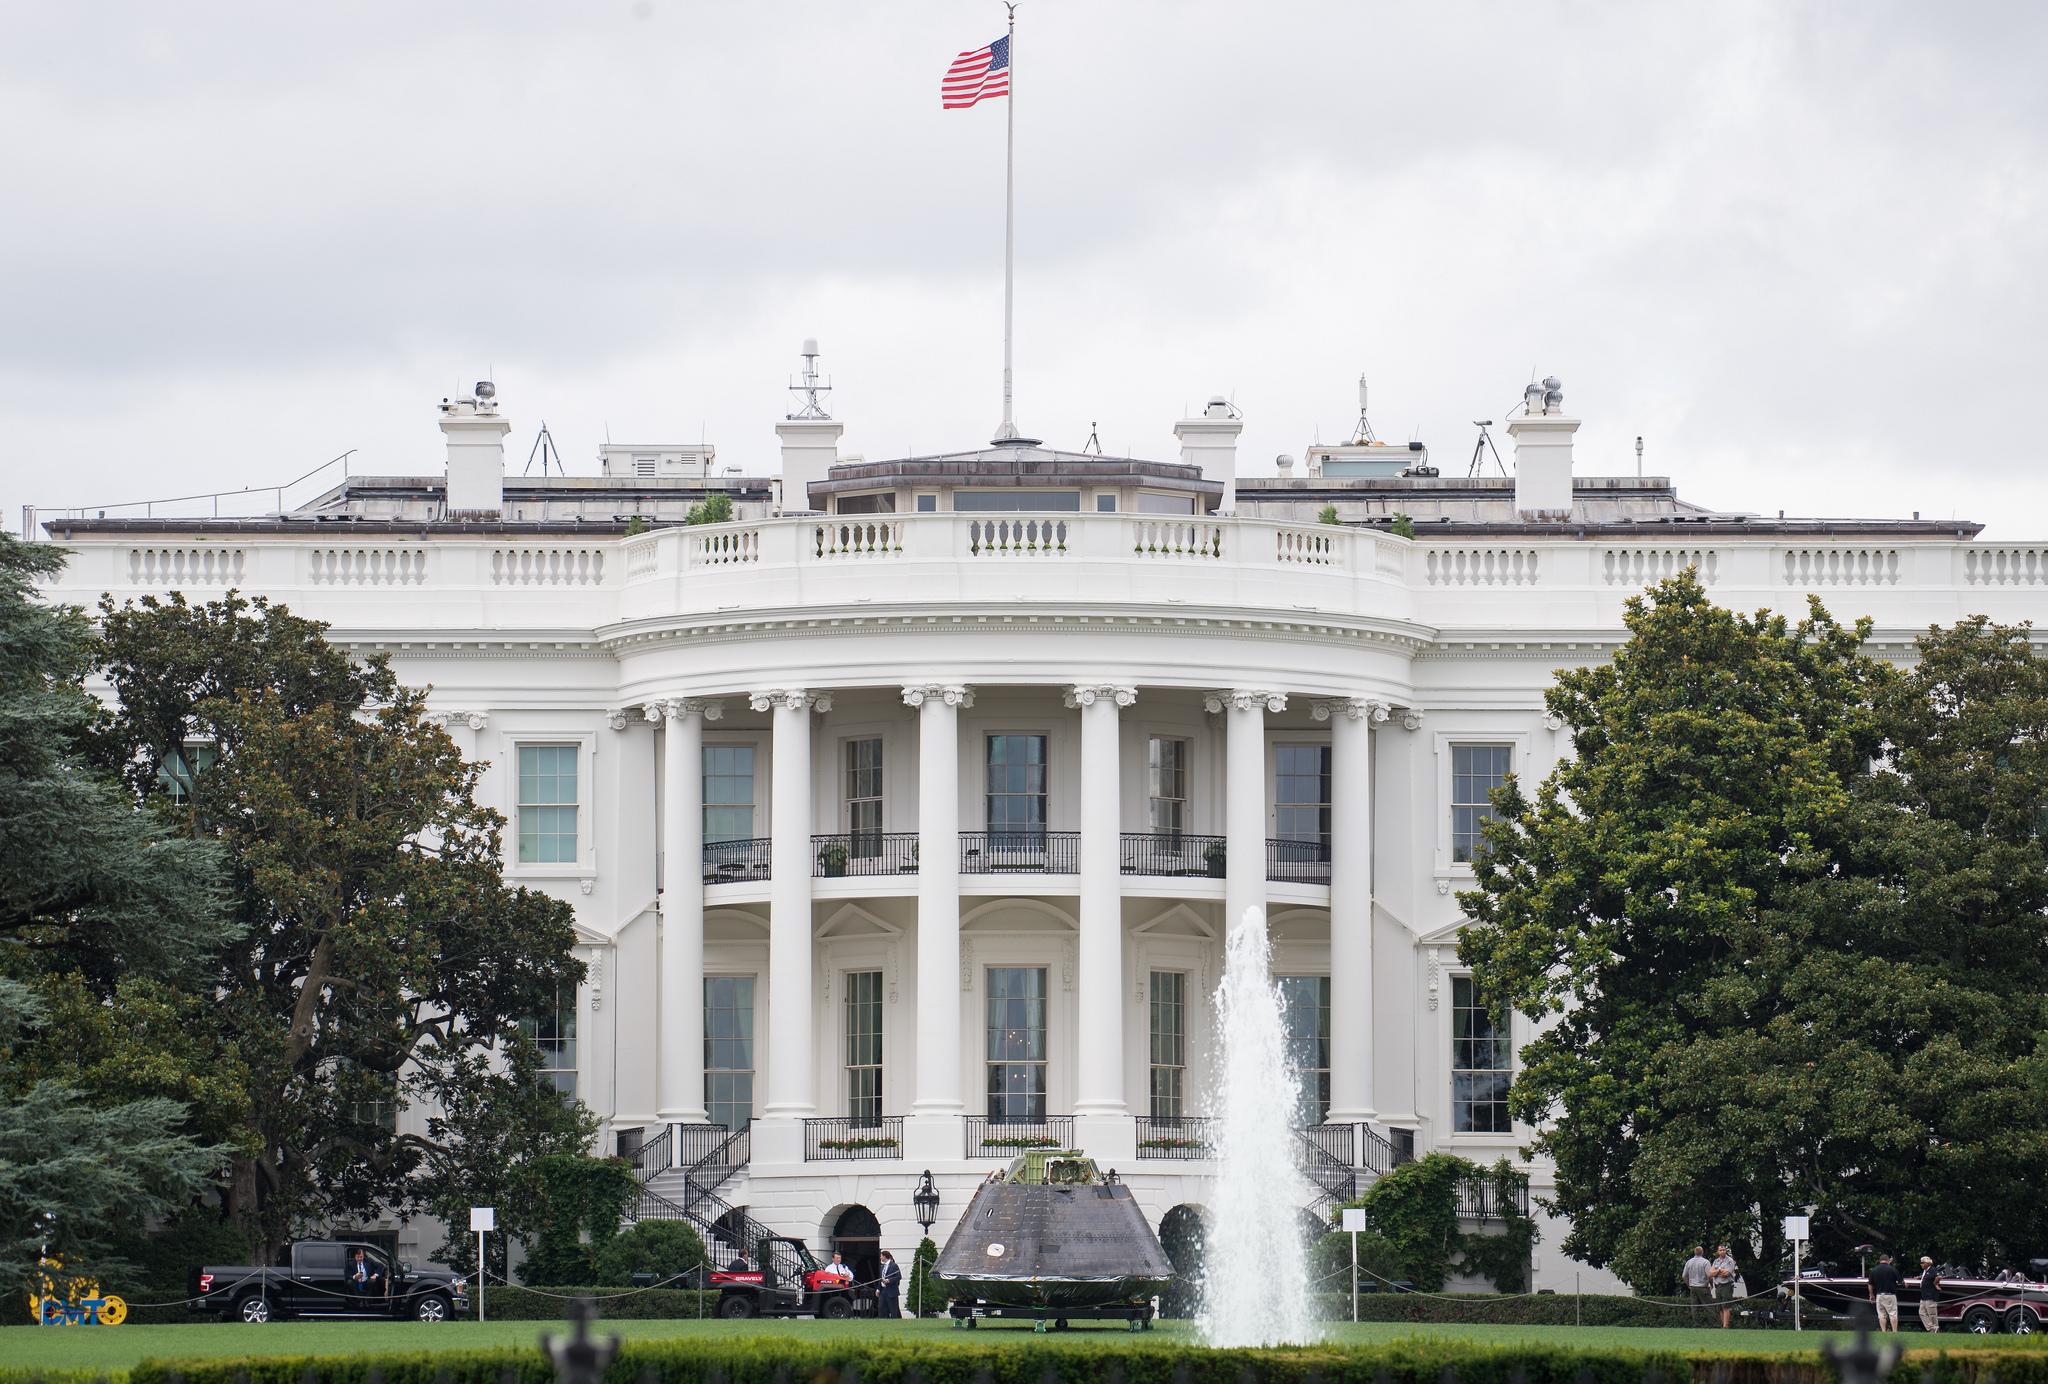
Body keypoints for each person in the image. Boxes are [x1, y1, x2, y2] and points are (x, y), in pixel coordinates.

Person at [1868, 1253, 1901, 1332]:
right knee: (1892, 1313)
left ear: (1879, 1261)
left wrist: (1871, 1295)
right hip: (1890, 1295)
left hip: (1879, 1295)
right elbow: (1901, 1281)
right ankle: (1894, 1331)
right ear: (1888, 1261)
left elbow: (1870, 1284)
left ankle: (1883, 1331)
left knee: (1881, 1314)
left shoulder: (1874, 1270)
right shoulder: (1892, 1269)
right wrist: (1905, 1285)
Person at [1710, 1244, 1740, 1328]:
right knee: (1720, 1307)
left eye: (1724, 1250)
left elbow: (1726, 1274)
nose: (1722, 1251)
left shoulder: (1730, 1261)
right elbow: (1710, 1273)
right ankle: (1723, 1324)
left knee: (1725, 1307)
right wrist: (1720, 1271)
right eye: (1720, 1250)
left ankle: (1725, 1326)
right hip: (1718, 1286)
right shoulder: (1716, 1261)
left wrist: (1716, 1272)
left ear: (1726, 1251)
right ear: (1717, 1252)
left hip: (1726, 1285)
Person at [1681, 1246, 1713, 1321]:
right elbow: (1709, 1275)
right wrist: (1711, 1284)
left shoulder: (1689, 1262)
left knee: (1694, 1307)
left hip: (1693, 1287)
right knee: (1708, 1306)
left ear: (1695, 1252)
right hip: (1703, 1287)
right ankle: (1714, 1324)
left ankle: (1697, 1324)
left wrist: (1688, 1285)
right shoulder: (1705, 1262)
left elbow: (1684, 1276)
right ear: (1702, 1252)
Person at [1918, 1257, 1941, 1333]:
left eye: (1922, 1263)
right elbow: (1927, 1277)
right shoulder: (1925, 1271)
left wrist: (1935, 1283)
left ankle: (1935, 1328)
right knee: (1922, 1312)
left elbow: (1938, 1276)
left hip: (1930, 1296)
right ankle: (1931, 1327)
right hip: (1923, 1296)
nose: (1921, 1264)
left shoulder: (1932, 1270)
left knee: (1932, 1314)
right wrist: (1920, 1278)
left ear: (1927, 1264)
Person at [878, 1250, 902, 1318]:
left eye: (881, 1256)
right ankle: (882, 1321)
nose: (880, 1257)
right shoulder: (882, 1266)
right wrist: (878, 1289)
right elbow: (880, 1278)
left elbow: (898, 1276)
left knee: (893, 1309)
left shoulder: (893, 1265)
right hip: (883, 1290)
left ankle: (894, 1322)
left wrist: (889, 1280)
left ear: (884, 1256)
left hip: (891, 1290)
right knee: (881, 1307)